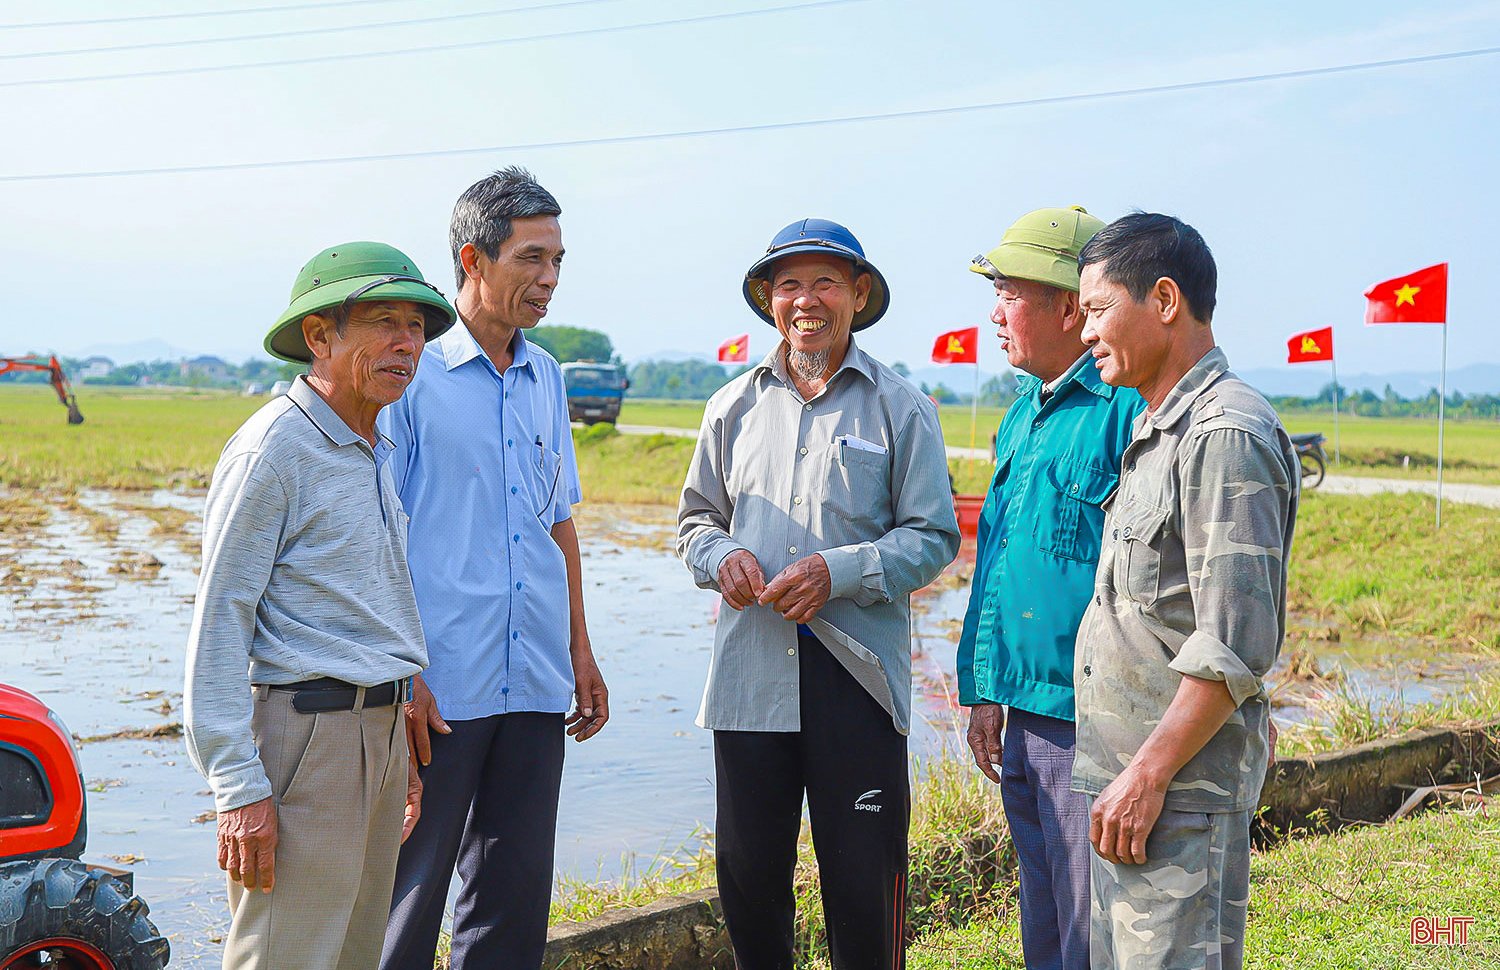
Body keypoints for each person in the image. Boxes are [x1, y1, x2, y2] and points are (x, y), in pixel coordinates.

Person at [677, 218, 960, 970]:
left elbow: (934, 536)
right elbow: (695, 522)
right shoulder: (731, 406)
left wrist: (842, 571)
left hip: (857, 677)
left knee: (866, 885)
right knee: (747, 874)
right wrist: (723, 554)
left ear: (858, 294)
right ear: (769, 298)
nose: (807, 301)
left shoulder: (901, 407)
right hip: (749, 676)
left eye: (826, 282)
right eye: (790, 284)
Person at [184, 241, 456, 969]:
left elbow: (366, 603)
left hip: (377, 733)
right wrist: (238, 787)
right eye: (384, 321)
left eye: (419, 327)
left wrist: (396, 712)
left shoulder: (377, 444)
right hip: (306, 742)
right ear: (319, 335)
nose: (408, 342)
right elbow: (217, 628)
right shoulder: (273, 450)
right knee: (287, 955)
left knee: (353, 956)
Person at [378, 167, 610, 970]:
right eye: (531, 259)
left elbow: (559, 524)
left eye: (557, 260)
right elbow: (381, 538)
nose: (548, 280)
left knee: (512, 908)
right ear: (473, 261)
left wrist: (579, 651)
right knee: (407, 900)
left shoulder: (547, 376)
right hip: (440, 688)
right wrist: (403, 674)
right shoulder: (411, 377)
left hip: (535, 680)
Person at [1072, 213, 1300, 970]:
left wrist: (1148, 773)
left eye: (1099, 309)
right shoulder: (1159, 427)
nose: (1086, 333)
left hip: (1175, 792)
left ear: (1164, 299)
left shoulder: (1223, 434)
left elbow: (1232, 645)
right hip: (1135, 789)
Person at [956, 205, 1144, 970]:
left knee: (1088, 925)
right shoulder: (1021, 417)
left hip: (1089, 721)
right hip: (1022, 713)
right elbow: (995, 562)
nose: (995, 314)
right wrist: (982, 690)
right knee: (1044, 916)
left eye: (1009, 293)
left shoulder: (1126, 409)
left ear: (1073, 305)